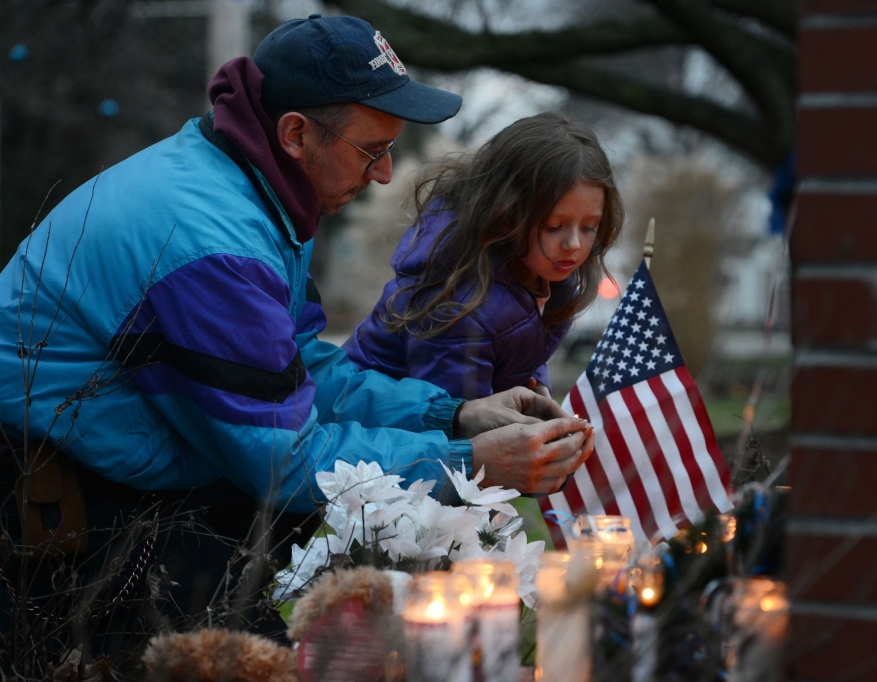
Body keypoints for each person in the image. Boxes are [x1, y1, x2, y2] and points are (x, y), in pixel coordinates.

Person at [0, 15, 593, 645]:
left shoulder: (249, 190)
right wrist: (470, 463)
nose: (387, 173)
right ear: (295, 133)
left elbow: (299, 362)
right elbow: (286, 460)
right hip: (47, 501)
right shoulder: (214, 243)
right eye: (372, 150)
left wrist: (455, 415)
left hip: (113, 472)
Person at [343, 113, 623, 400]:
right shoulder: (458, 304)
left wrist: (536, 387)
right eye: (553, 226)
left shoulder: (545, 274)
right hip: (360, 424)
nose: (574, 243)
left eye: (590, 226)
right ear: (505, 212)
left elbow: (521, 345)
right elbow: (456, 421)